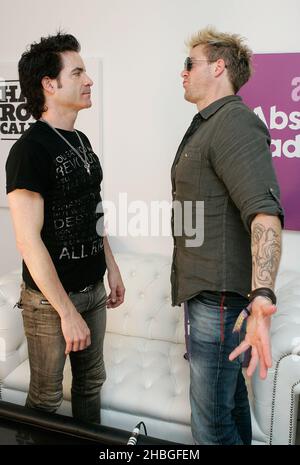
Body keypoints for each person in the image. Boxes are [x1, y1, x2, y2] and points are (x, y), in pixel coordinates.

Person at [171, 27, 284, 445]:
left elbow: (265, 214)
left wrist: (263, 295)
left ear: (218, 66)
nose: (182, 73)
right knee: (231, 409)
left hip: (219, 302)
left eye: (190, 64)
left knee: (211, 427)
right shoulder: (209, 124)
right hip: (208, 296)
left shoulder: (234, 124)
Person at [5, 32, 125, 424]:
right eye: (78, 72)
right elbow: (28, 241)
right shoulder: (29, 150)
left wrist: (111, 266)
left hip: (92, 291)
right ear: (50, 85)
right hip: (49, 303)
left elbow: (94, 210)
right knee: (46, 397)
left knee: (91, 383)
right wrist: (66, 312)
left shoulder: (80, 139)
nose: (89, 80)